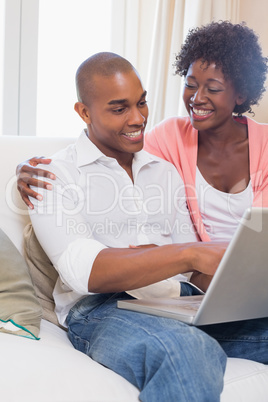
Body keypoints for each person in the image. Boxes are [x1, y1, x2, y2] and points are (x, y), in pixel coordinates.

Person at [16, 21, 268, 394]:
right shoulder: (51, 175)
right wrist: (189, 253)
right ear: (84, 113)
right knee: (189, 350)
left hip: (176, 302)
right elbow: (86, 271)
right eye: (119, 109)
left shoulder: (163, 171)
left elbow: (189, 273)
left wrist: (234, 282)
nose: (137, 119)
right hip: (103, 310)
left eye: (141, 103)